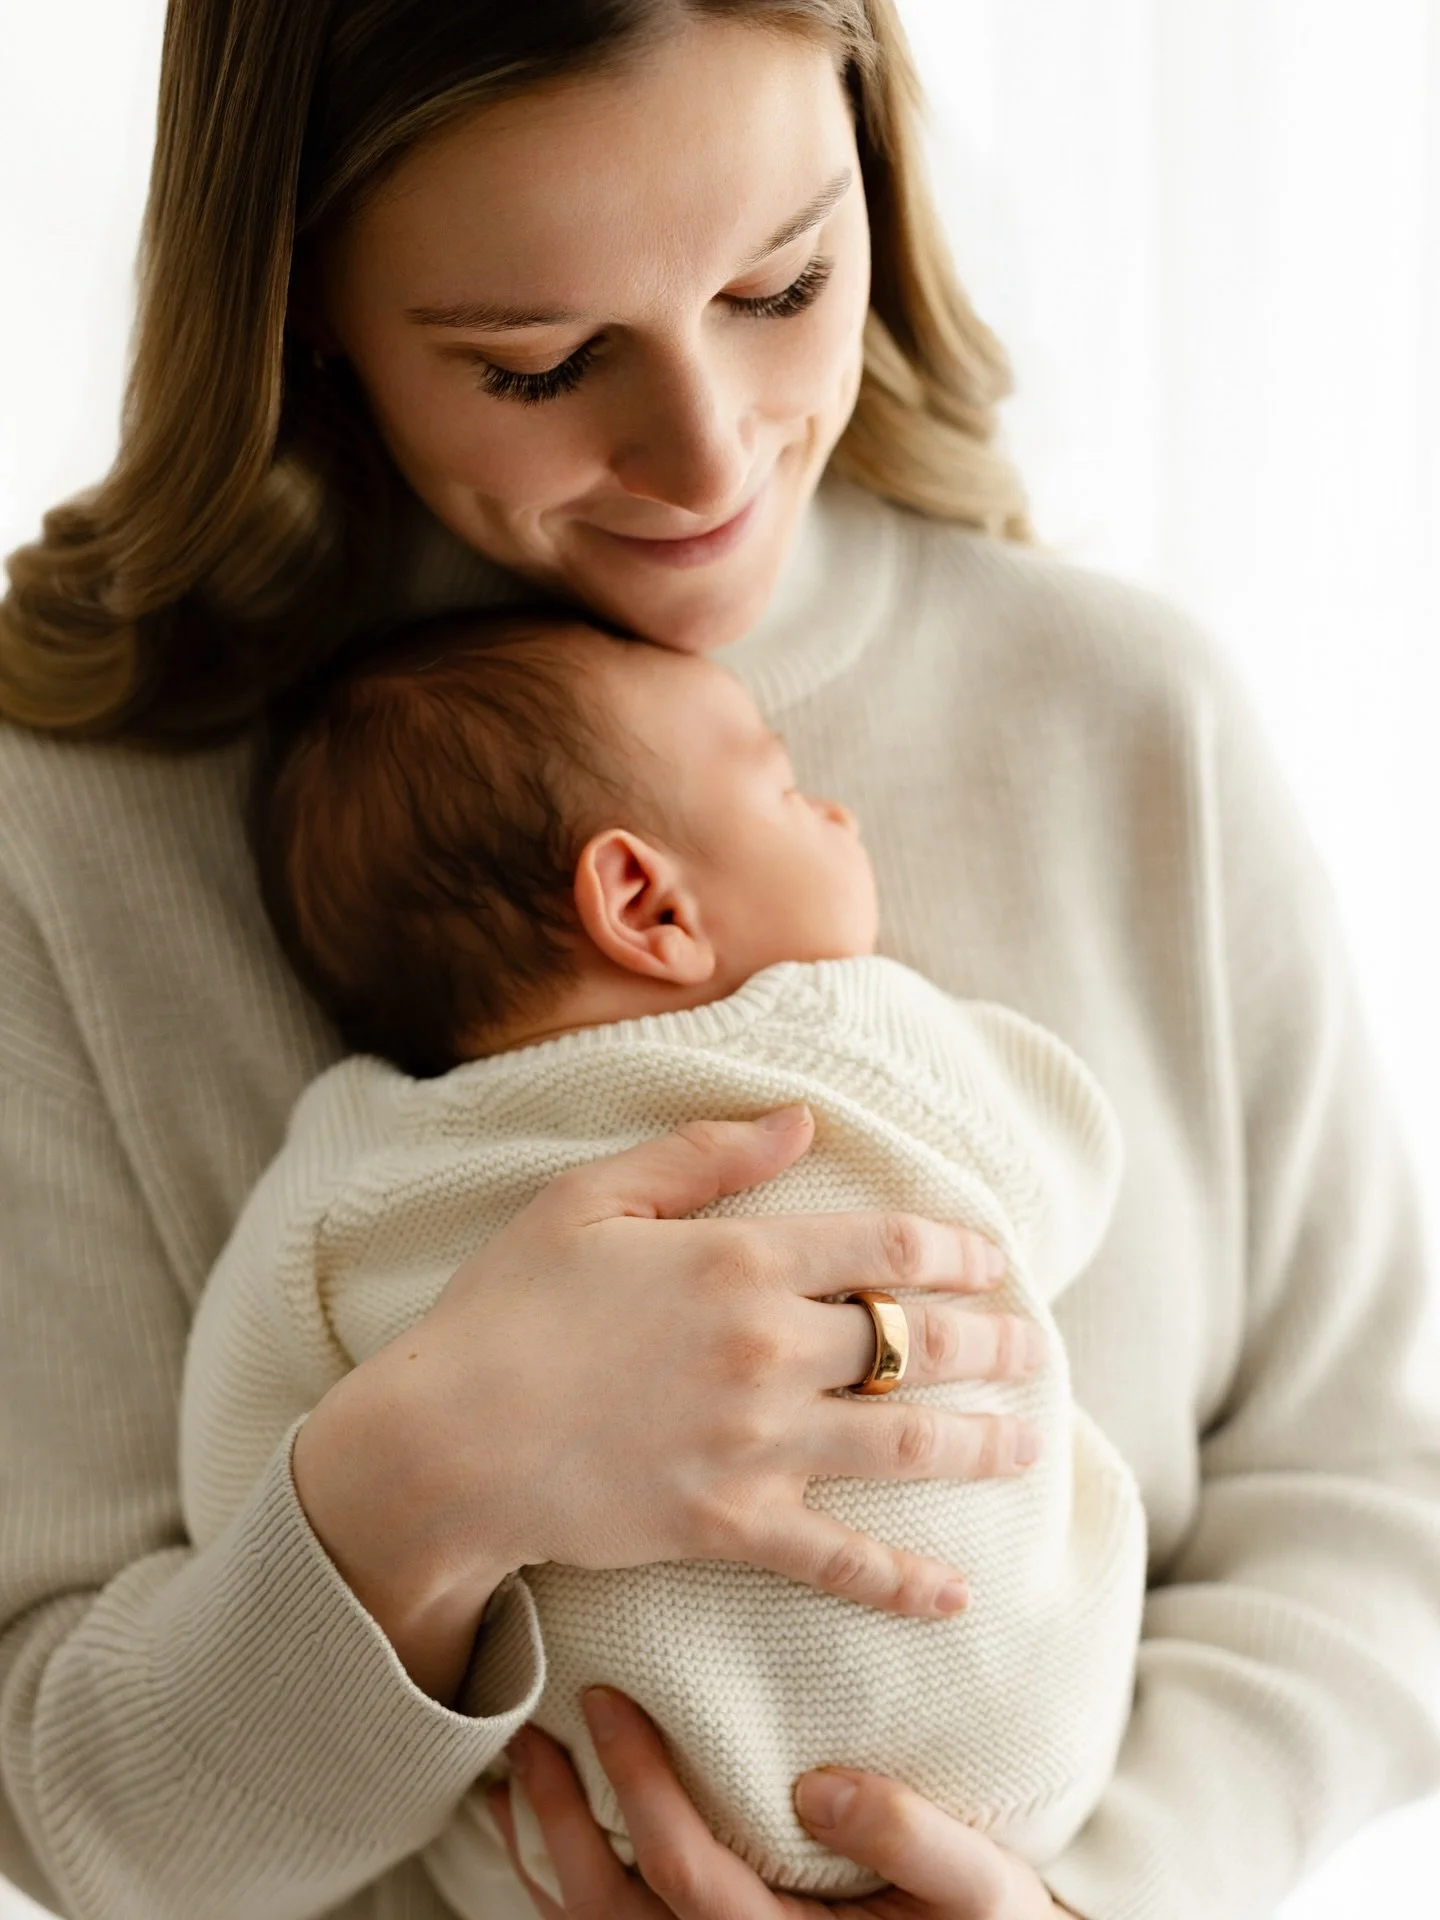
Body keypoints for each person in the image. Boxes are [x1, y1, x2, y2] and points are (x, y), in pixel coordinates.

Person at [0, 3, 1436, 1918]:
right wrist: (427, 1482)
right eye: (543, 362)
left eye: (784, 281)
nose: (704, 458)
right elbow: (80, 1808)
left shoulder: (1126, 723)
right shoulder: (72, 833)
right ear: (302, 295)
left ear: (876, 160)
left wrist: (1084, 1904)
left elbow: (1376, 1508)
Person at [177, 608, 1147, 1908]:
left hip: (627, 1833)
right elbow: (1064, 1168)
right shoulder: (849, 1028)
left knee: (501, 1805)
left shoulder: (357, 1174)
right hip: (1011, 1768)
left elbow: (238, 1481)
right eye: (793, 792)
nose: (843, 818)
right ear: (646, 902)